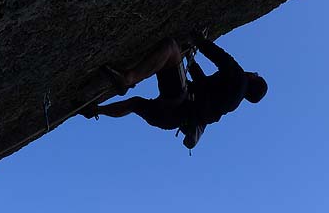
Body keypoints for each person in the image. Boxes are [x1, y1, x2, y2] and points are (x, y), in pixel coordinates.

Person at [81, 32, 267, 150]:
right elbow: (202, 85)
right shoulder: (231, 101)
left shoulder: (239, 78)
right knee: (134, 104)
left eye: (256, 75)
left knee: (170, 47)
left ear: (254, 79)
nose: (254, 73)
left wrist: (198, 39)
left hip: (179, 101)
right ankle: (95, 110)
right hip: (170, 119)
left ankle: (128, 78)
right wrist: (190, 61)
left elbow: (220, 57)